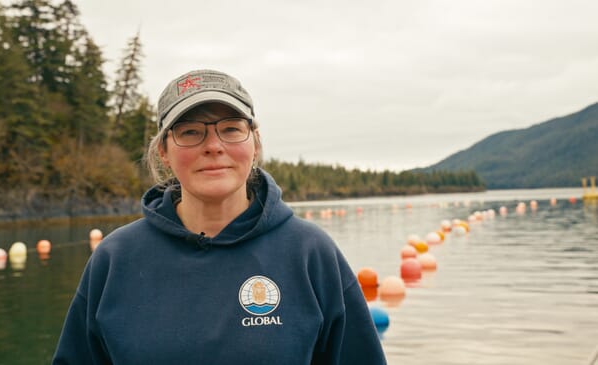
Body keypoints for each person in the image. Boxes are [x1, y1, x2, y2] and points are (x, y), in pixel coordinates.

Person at [52, 69, 387, 364]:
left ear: (254, 142)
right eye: (190, 131)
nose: (213, 145)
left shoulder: (310, 253)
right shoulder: (115, 259)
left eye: (230, 128)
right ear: (163, 152)